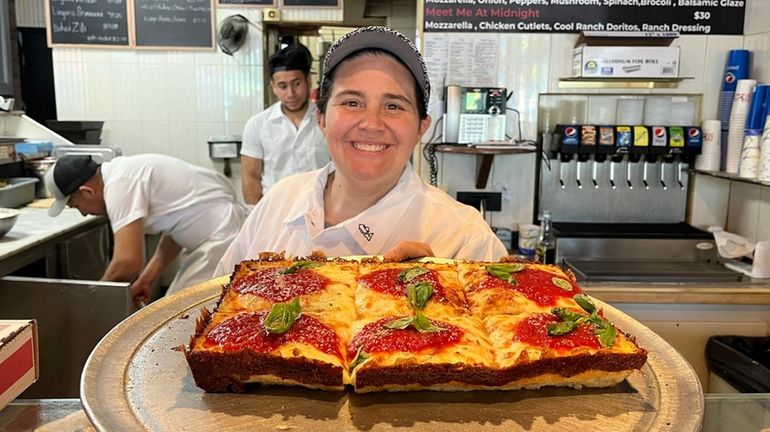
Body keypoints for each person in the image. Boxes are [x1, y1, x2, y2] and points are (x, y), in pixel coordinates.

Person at [216, 26, 507, 276]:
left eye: (393, 106)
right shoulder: (278, 202)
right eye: (352, 102)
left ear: (422, 126)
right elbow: (214, 315)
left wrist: (441, 297)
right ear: (321, 119)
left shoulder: (466, 240)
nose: (371, 124)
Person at [46, 154, 248, 303]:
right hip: (215, 235)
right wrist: (146, 280)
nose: (82, 213)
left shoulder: (118, 185)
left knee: (179, 315)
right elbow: (176, 227)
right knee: (175, 312)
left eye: (75, 205)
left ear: (87, 191)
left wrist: (95, 296)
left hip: (222, 236)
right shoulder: (121, 173)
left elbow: (127, 262)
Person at [240, 43, 329, 204]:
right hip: (275, 209)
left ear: (308, 81)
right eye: (282, 86)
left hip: (320, 208)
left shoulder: (328, 120)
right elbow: (250, 179)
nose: (291, 94)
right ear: (273, 87)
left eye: (296, 84)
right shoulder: (258, 125)